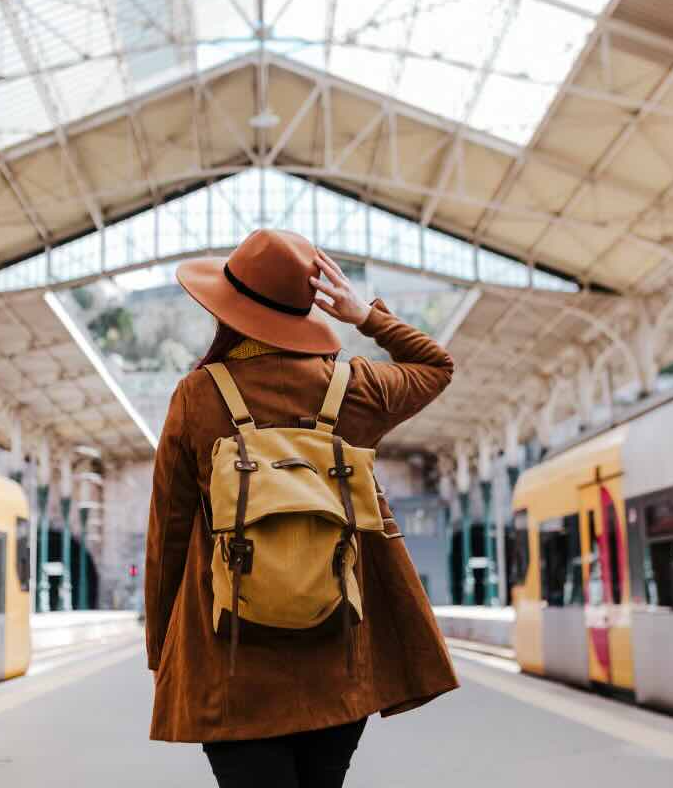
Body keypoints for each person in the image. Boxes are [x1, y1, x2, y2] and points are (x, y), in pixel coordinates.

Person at [145, 229, 459, 788]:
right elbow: (436, 367)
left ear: (227, 310)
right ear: (305, 309)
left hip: (229, 664)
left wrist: (163, 654)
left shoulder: (198, 395)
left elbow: (168, 534)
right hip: (337, 660)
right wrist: (366, 317)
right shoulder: (355, 388)